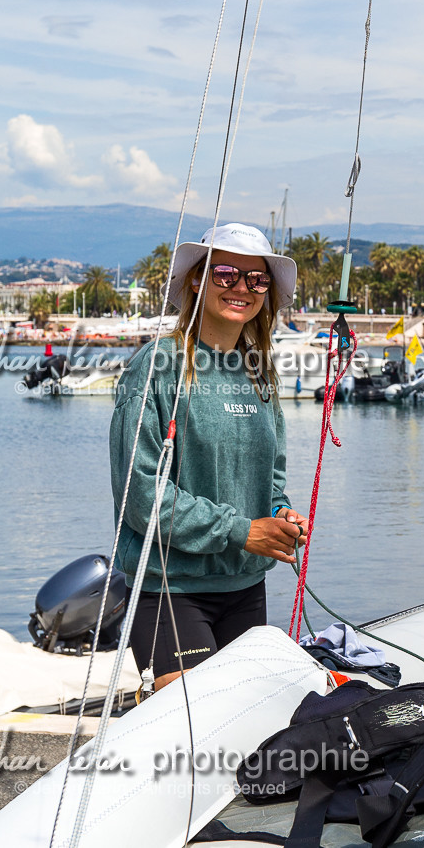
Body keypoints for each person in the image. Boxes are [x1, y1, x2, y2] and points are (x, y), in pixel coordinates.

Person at [110, 223, 308, 690]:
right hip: (171, 588)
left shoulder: (259, 371)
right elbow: (141, 497)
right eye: (226, 274)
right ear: (197, 278)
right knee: (194, 732)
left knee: (243, 728)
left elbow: (270, 479)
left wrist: (278, 515)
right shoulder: (158, 365)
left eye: (257, 279)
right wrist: (242, 530)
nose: (242, 288)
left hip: (244, 587)